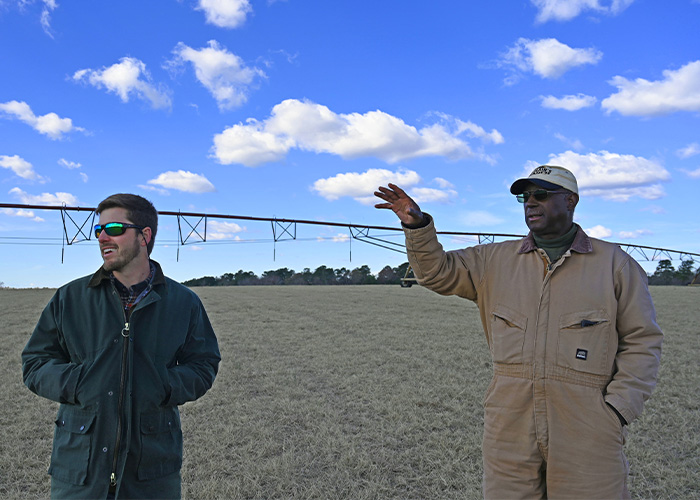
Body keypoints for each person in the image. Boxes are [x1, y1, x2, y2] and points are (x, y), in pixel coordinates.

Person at [374, 165, 663, 499]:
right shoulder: (493, 260)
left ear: (570, 201)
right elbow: (436, 273)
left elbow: (643, 341)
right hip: (509, 422)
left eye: (541, 194)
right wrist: (417, 225)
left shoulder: (615, 264)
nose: (530, 202)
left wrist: (617, 409)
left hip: (587, 424)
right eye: (525, 197)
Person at [22, 194, 221, 499]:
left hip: (151, 471)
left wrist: (164, 386)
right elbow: (35, 362)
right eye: (98, 230)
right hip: (80, 470)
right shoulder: (69, 298)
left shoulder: (184, 303)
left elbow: (204, 363)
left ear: (145, 235)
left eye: (114, 228)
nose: (102, 236)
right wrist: (80, 383)